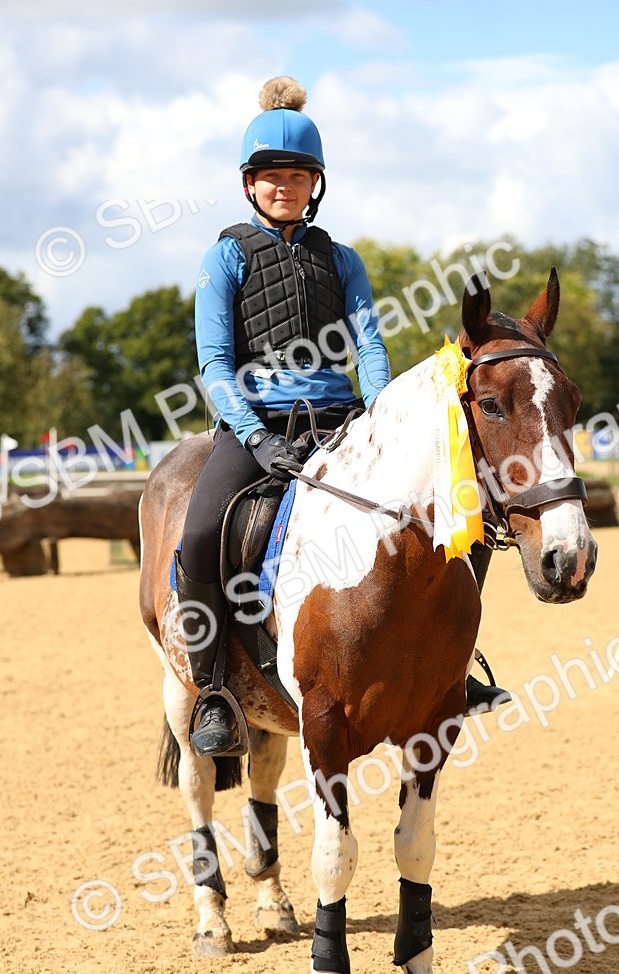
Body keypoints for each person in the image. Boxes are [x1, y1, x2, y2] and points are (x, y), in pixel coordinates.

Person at [176, 76, 392, 757]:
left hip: (338, 417)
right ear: (250, 184)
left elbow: (373, 347)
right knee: (203, 528)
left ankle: (450, 671)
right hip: (258, 425)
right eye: (271, 176)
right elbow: (213, 365)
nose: (284, 186)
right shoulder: (226, 256)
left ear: (315, 184)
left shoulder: (342, 259)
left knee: (430, 510)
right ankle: (213, 689)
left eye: (297, 176)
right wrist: (256, 437)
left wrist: (380, 419)